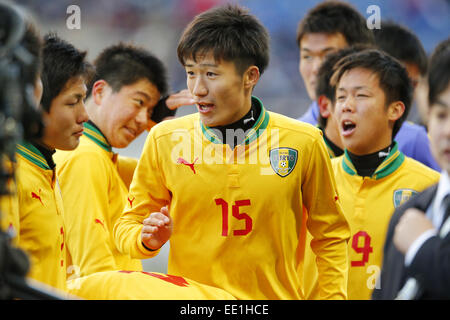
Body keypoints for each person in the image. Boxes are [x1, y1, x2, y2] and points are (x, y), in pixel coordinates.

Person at [114, 4, 350, 300]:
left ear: (250, 76)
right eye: (190, 73)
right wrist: (146, 239)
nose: (197, 89)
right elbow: (127, 225)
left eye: (211, 74)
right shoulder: (165, 139)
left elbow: (331, 236)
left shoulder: (303, 142)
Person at [53, 43, 193, 278]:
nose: (141, 120)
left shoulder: (107, 159)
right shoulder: (85, 157)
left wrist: (158, 130)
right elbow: (93, 272)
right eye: (139, 102)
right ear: (99, 92)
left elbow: (176, 181)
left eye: (149, 112)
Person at [329, 49, 440, 299]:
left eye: (361, 95)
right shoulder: (313, 179)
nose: (346, 106)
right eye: (341, 96)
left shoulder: (428, 188)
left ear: (395, 110)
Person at [296, 1, 438, 171]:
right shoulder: (290, 141)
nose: (316, 68)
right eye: (307, 56)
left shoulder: (412, 139)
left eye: (329, 55)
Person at [373, 38, 450, 300]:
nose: (448, 131)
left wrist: (423, 247)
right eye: (441, 115)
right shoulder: (408, 213)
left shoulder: (414, 230)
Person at [15, 33, 91, 292]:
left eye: (84, 99)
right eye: (73, 102)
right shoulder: (12, 175)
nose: (85, 116)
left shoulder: (46, 167)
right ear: (33, 100)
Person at [373, 20, 440, 171]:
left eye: (413, 85)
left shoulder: (415, 139)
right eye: (396, 82)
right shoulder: (326, 134)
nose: (406, 94)